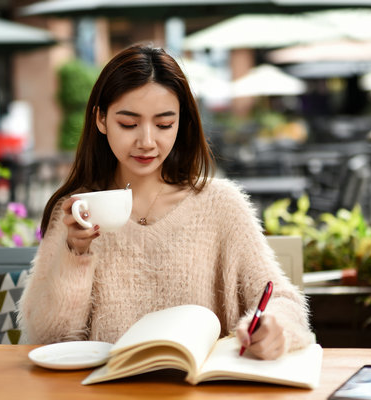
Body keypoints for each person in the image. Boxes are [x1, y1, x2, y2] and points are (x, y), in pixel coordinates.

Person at [18, 43, 314, 360]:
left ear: (181, 123)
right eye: (128, 124)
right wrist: (76, 254)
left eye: (163, 124)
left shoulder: (221, 205)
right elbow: (48, 339)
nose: (146, 141)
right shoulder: (77, 210)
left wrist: (274, 328)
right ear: (101, 120)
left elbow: (282, 299)